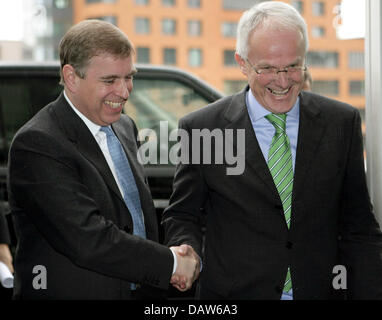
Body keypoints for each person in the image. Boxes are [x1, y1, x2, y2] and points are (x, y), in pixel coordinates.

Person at [162, 1, 382, 300]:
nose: (282, 80)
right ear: (242, 63)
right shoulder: (204, 128)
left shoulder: (341, 122)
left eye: (293, 66)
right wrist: (187, 251)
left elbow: (359, 227)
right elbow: (183, 215)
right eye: (267, 68)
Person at [7, 19, 198, 300]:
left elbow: (133, 220)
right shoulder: (38, 143)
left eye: (129, 76)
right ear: (71, 77)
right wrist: (170, 263)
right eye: (110, 80)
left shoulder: (124, 126)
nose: (124, 91)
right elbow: (89, 239)